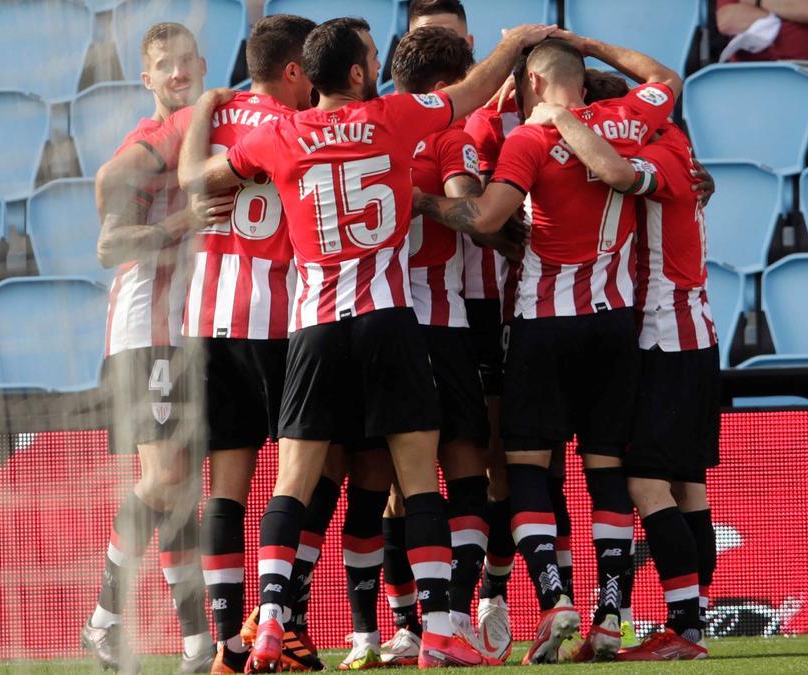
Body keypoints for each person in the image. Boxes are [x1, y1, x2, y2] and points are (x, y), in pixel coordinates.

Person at [179, 17, 559, 670]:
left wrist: (203, 111)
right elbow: (470, 93)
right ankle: (440, 627)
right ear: (356, 73)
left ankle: (269, 620)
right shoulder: (394, 118)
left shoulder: (279, 135)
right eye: (373, 57)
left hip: (315, 328)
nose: (379, 64)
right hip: (388, 318)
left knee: (292, 484)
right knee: (418, 482)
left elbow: (197, 179)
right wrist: (514, 44)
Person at [411, 32, 682, 663]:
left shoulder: (528, 139)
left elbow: (480, 220)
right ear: (581, 84)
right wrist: (586, 43)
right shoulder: (628, 119)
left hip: (542, 323)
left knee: (529, 465)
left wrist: (424, 198)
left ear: (531, 84)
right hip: (616, 324)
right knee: (606, 469)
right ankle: (611, 615)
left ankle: (555, 599)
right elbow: (665, 73)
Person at [132, 15, 320, 673]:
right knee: (313, 473)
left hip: (210, 320)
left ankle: (226, 645)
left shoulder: (216, 115)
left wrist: (208, 102)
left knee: (226, 489)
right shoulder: (305, 121)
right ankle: (283, 618)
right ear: (295, 67)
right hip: (288, 322)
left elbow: (187, 180)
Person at [333, 25, 521, 669]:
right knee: (464, 467)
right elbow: (473, 212)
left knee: (383, 482)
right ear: (446, 88)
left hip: (367, 322)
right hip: (439, 324)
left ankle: (390, 628)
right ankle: (453, 618)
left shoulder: (356, 132)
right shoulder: (444, 136)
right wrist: (433, 202)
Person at [551, 70, 719, 662]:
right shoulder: (677, 150)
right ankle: (689, 623)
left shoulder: (656, 155)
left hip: (667, 338)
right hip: (689, 336)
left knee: (647, 483)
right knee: (687, 487)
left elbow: (618, 172)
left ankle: (684, 629)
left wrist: (561, 115)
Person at [82, 22, 212, 674]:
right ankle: (104, 619)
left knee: (182, 488)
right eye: (165, 64)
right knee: (163, 478)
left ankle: (196, 646)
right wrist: (180, 221)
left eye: (186, 60)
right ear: (148, 78)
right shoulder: (147, 140)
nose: (178, 71)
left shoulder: (211, 132)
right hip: (145, 328)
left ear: (203, 63)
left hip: (187, 329)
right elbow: (107, 242)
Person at [716, 0, 808, 115]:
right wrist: (792, 9)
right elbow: (727, 20)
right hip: (750, 73)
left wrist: (758, 3)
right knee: (715, 104)